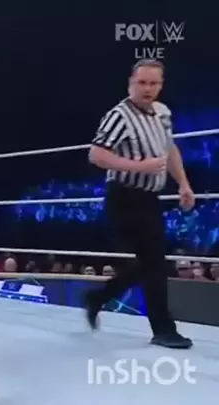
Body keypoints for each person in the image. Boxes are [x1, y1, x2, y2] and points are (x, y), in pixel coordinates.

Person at [85, 58, 194, 349]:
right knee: (146, 263)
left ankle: (107, 301)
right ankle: (155, 324)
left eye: (153, 83)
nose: (148, 88)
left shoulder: (163, 113)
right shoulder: (119, 116)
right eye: (142, 82)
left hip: (149, 199)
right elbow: (96, 154)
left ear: (161, 85)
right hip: (123, 197)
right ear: (131, 83)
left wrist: (183, 183)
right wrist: (139, 166)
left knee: (154, 263)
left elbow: (170, 149)